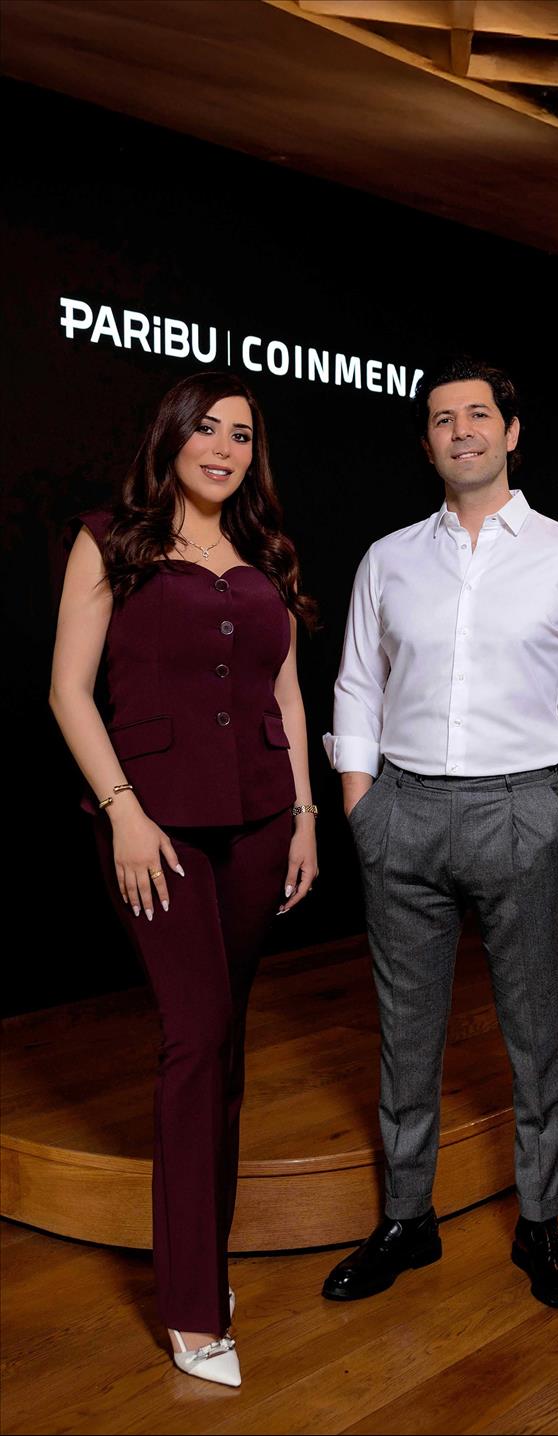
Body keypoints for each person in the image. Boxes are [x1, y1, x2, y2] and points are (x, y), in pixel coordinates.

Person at [323, 357, 558, 1308]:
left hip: (519, 811)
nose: (459, 430)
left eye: (476, 415)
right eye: (441, 419)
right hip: (402, 811)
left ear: (510, 432)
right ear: (427, 443)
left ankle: (540, 1220)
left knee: (535, 1034)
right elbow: (357, 682)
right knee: (404, 1032)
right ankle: (406, 1218)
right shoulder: (388, 557)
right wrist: (361, 803)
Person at [50, 372, 318, 1387]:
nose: (224, 448)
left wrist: (305, 817)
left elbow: (287, 693)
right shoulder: (109, 540)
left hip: (259, 821)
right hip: (154, 826)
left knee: (226, 1039)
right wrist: (122, 810)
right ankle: (193, 1308)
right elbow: (67, 690)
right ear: (169, 436)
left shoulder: (267, 553)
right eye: (207, 429)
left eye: (242, 435)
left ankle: (203, 1256)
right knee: (196, 1036)